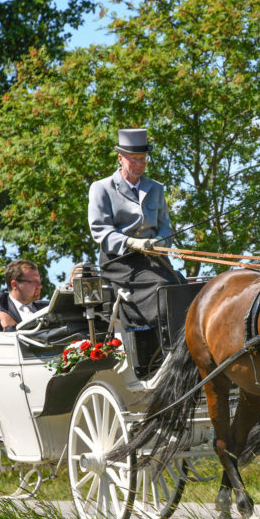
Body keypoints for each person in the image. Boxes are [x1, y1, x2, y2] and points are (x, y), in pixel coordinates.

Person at [88, 128, 184, 375]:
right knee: (161, 289)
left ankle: (183, 354)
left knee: (182, 287)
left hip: (153, 258)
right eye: (135, 159)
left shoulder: (156, 188)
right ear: (120, 157)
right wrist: (132, 243)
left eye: (143, 159)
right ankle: (154, 358)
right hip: (120, 261)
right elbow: (100, 230)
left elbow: (165, 228)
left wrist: (159, 243)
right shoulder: (101, 188)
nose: (140, 164)